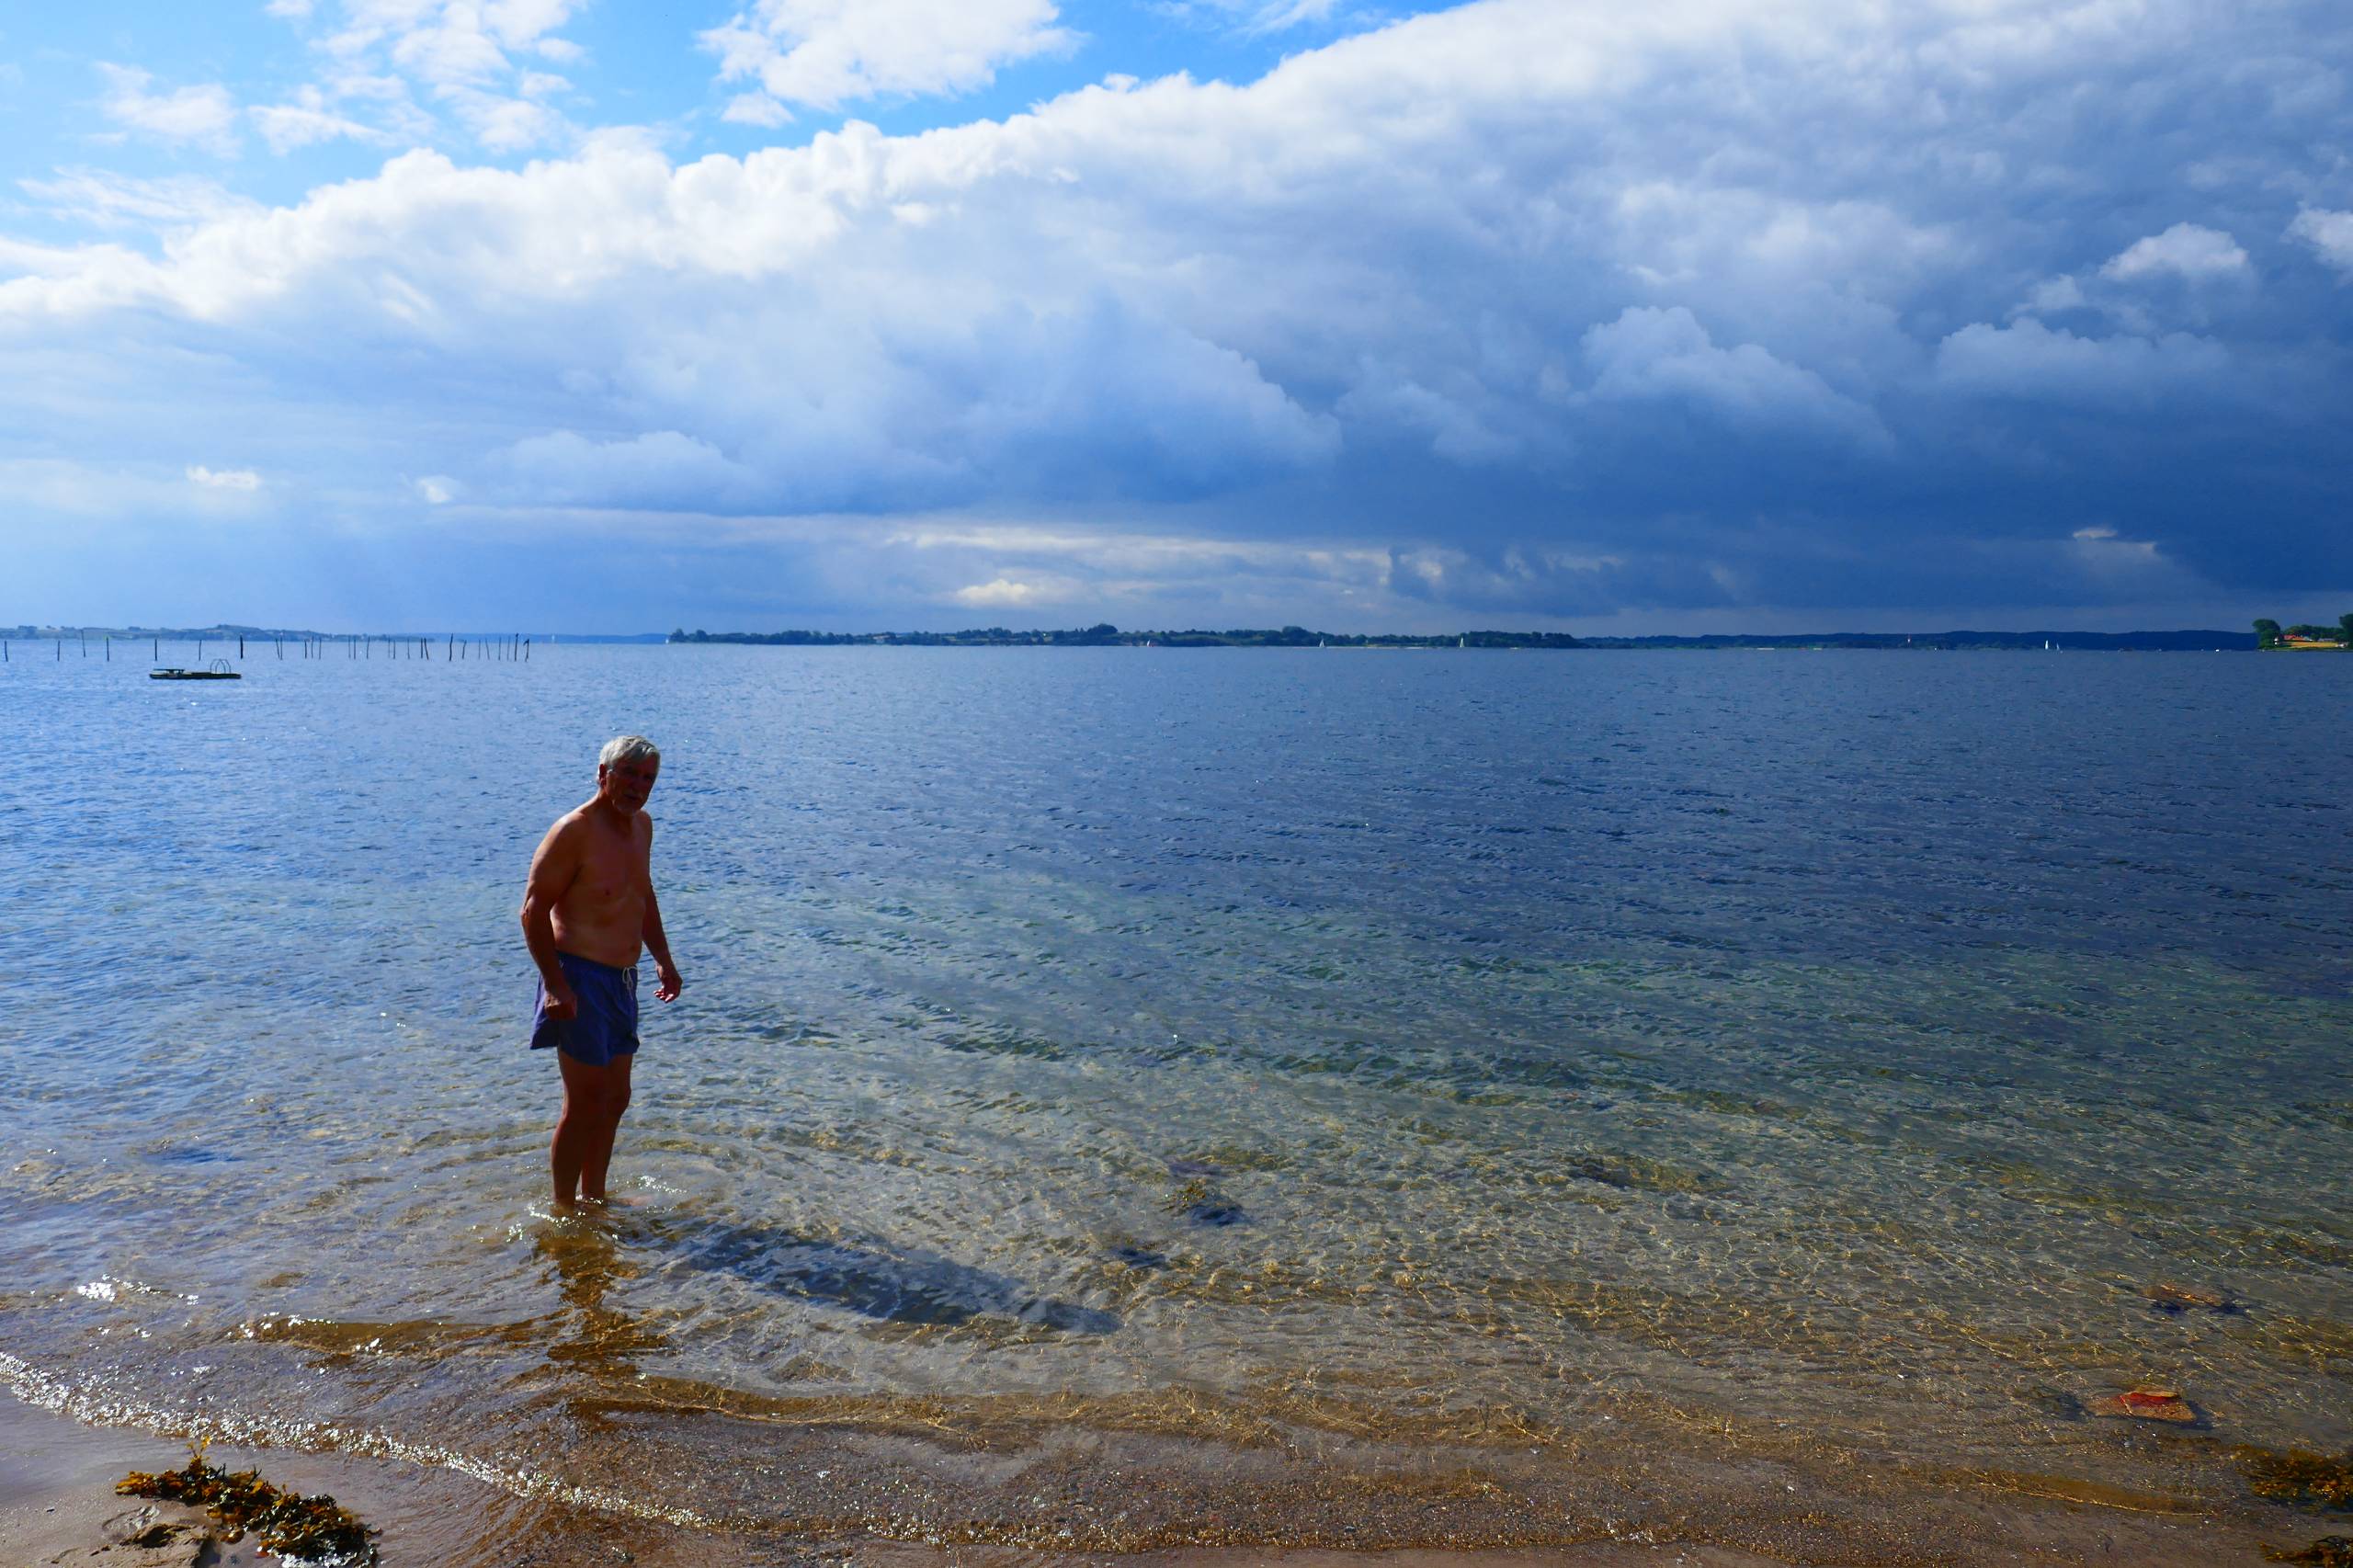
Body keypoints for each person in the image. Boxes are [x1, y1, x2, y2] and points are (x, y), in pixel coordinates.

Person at [520, 734, 683, 1209]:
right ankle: (563, 1208)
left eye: (647, 778)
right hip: (579, 977)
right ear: (602, 774)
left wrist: (664, 960)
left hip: (622, 981)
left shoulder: (642, 827)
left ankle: (595, 1197)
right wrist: (555, 983)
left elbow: (642, 897)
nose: (638, 786)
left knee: (615, 1098)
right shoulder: (574, 831)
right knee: (585, 1102)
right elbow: (532, 911)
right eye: (628, 774)